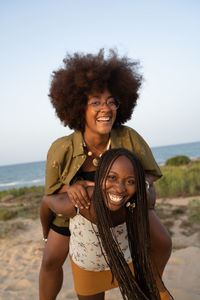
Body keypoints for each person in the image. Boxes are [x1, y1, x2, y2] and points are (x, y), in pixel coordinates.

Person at [39, 49, 172, 300]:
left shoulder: (128, 136)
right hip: (76, 210)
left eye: (112, 101)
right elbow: (52, 192)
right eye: (96, 102)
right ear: (79, 107)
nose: (106, 108)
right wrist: (74, 188)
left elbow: (151, 173)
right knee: (50, 260)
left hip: (122, 204)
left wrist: (140, 183)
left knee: (163, 241)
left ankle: (153, 281)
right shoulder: (62, 147)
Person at [41, 148, 173, 300]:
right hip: (88, 270)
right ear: (99, 177)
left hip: (126, 261)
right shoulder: (81, 202)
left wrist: (145, 184)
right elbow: (46, 202)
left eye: (130, 181)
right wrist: (46, 234)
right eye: (112, 177)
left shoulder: (136, 201)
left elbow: (150, 196)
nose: (120, 188)